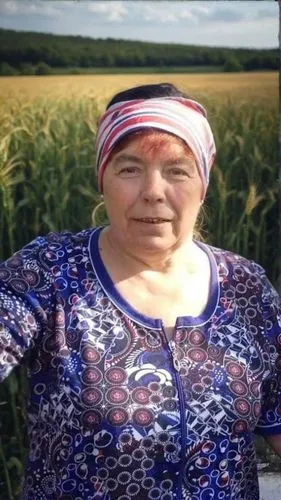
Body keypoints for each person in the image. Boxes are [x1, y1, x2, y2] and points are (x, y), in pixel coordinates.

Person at [0, 82, 280, 500]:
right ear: (102, 180)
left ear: (203, 184)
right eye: (129, 168)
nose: (152, 191)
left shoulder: (246, 286)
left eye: (178, 170)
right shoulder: (48, 272)